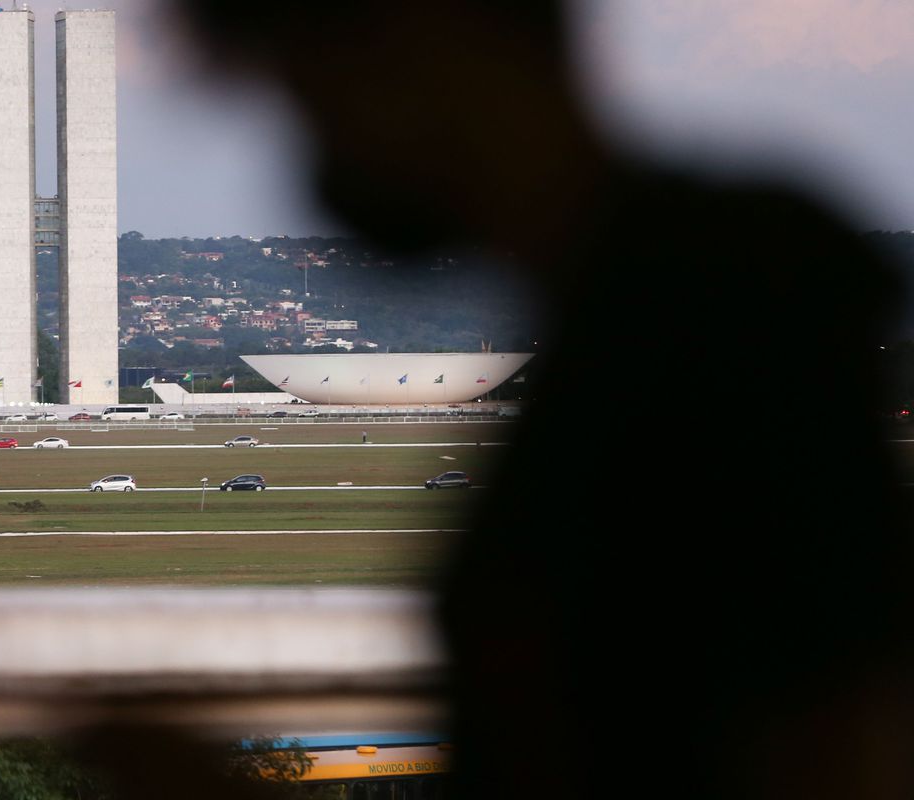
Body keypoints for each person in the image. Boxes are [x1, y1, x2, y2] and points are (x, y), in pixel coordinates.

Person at [175, 1, 914, 797]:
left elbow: (821, 720)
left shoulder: (727, 303)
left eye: (317, 90)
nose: (317, 151)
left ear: (446, 51)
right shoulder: (635, 307)